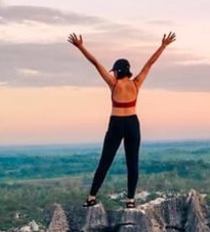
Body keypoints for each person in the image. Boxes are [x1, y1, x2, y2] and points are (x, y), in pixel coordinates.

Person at [67, 31, 176, 209]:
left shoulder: (114, 83)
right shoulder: (136, 83)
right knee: (132, 163)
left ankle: (91, 197)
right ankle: (130, 200)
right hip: (132, 123)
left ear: (117, 72)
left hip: (116, 124)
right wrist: (163, 46)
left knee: (105, 161)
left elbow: (96, 63)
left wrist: (81, 47)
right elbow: (150, 63)